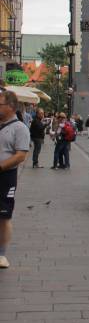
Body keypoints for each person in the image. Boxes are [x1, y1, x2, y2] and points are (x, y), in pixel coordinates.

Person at [0, 91, 32, 269]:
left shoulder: (20, 128)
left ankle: (1, 254)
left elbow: (21, 155)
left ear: (10, 106)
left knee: (3, 215)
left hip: (5, 176)